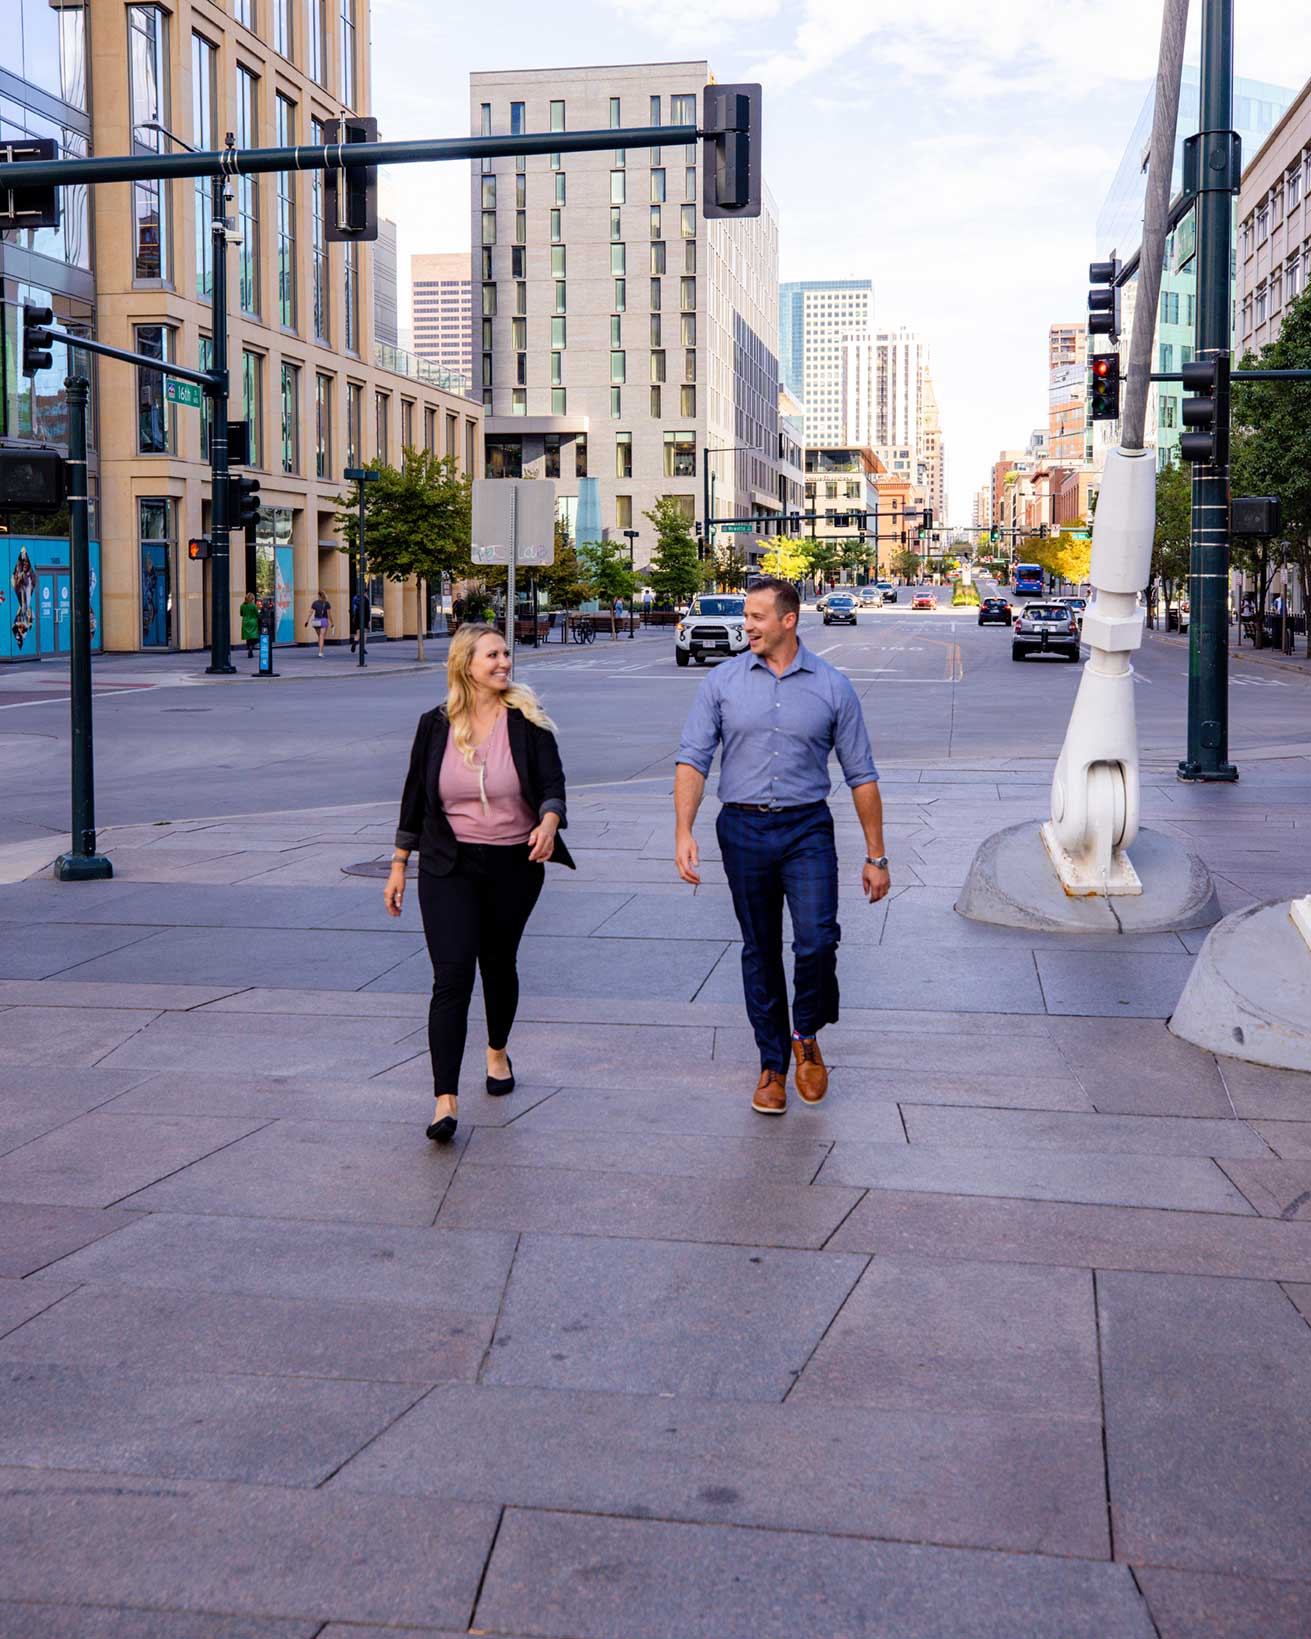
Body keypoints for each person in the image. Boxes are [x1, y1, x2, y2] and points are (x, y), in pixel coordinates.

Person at [674, 576, 890, 1117]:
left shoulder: (833, 686)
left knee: (817, 940)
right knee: (760, 947)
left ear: (788, 621)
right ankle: (772, 1064)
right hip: (742, 830)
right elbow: (693, 759)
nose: (746, 625)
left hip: (806, 830)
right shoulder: (721, 682)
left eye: (756, 617)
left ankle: (807, 1034)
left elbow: (861, 774)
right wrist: (684, 831)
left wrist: (876, 855)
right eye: (746, 617)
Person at [385, 624, 575, 1144]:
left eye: (506, 654)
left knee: (497, 963)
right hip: (449, 866)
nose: (504, 662)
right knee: (451, 978)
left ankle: (496, 1050)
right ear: (466, 663)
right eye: (493, 654)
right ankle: (444, 1099)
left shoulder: (526, 721)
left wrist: (549, 821)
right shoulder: (435, 725)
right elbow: (414, 800)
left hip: (515, 863)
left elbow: (553, 784)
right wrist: (400, 863)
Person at [306, 590, 334, 656]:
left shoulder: (315, 603)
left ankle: (320, 649)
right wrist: (332, 623)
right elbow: (329, 615)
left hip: (316, 621)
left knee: (319, 636)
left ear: (318, 595)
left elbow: (310, 612)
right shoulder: (327, 603)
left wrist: (307, 621)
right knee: (322, 636)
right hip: (324, 620)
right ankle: (321, 652)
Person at [239, 591, 259, 660]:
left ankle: (249, 647)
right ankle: (251, 648)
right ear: (252, 598)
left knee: (248, 636)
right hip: (252, 621)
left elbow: (241, 614)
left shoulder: (242, 605)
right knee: (253, 636)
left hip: (245, 622)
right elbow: (257, 614)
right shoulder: (253, 605)